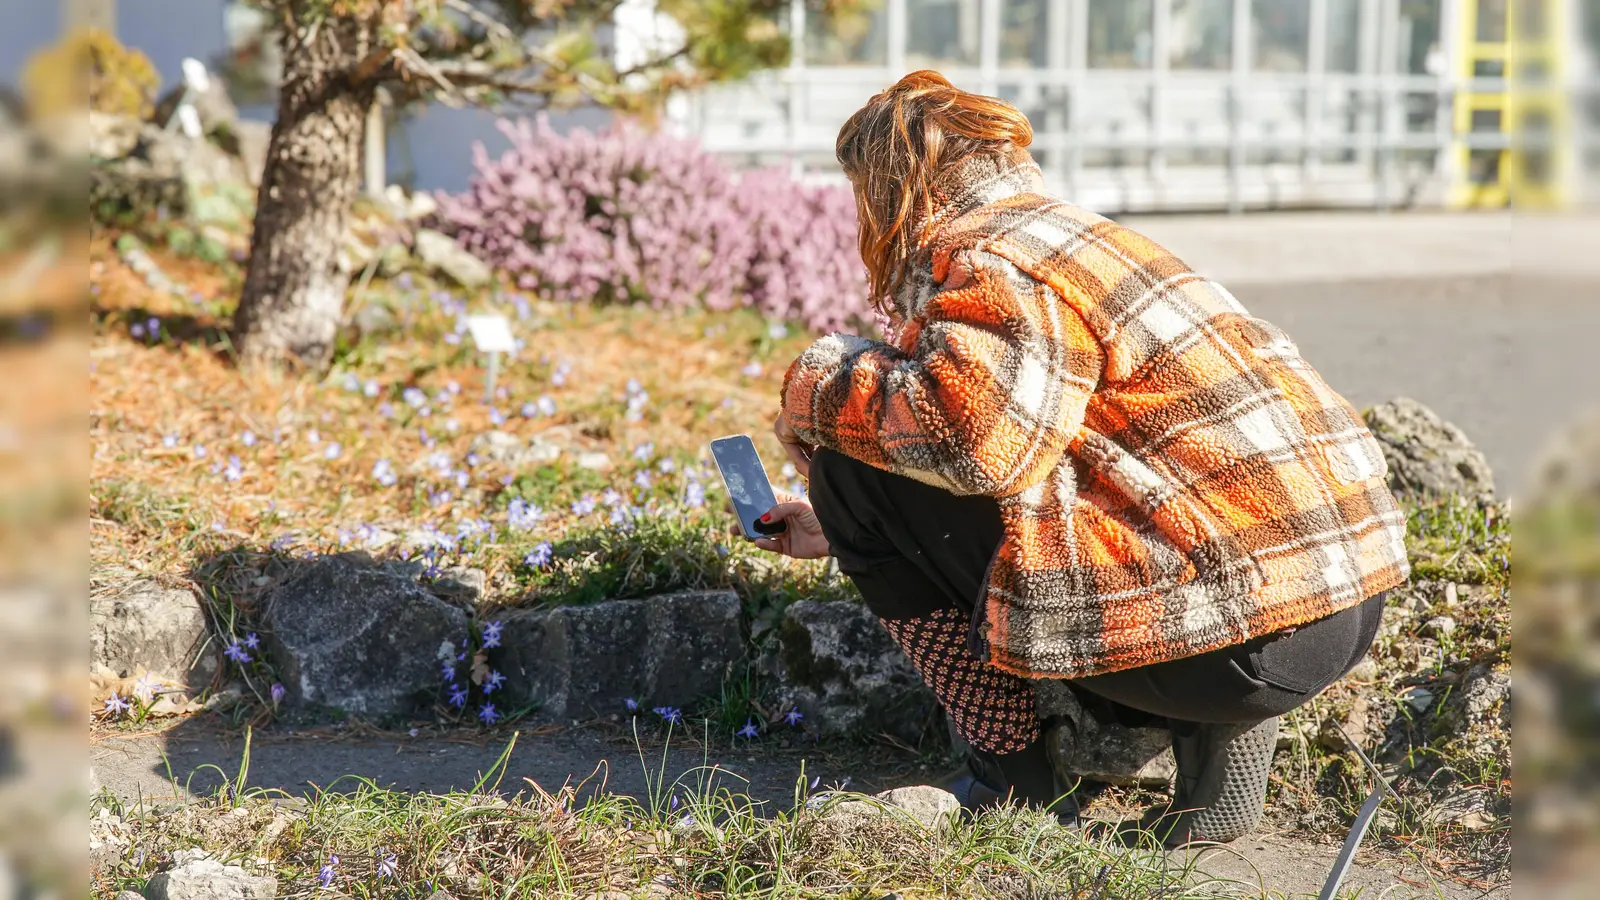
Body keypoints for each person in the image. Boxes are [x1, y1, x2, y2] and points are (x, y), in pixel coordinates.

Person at [741, 71, 1409, 846]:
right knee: (1199, 511)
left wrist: (817, 386)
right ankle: (1216, 779)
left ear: (894, 189)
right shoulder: (1089, 237)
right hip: (1340, 603)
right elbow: (1104, 456)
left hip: (1236, 644)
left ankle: (1014, 785)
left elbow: (974, 446)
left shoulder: (989, 256)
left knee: (852, 471)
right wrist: (842, 529)